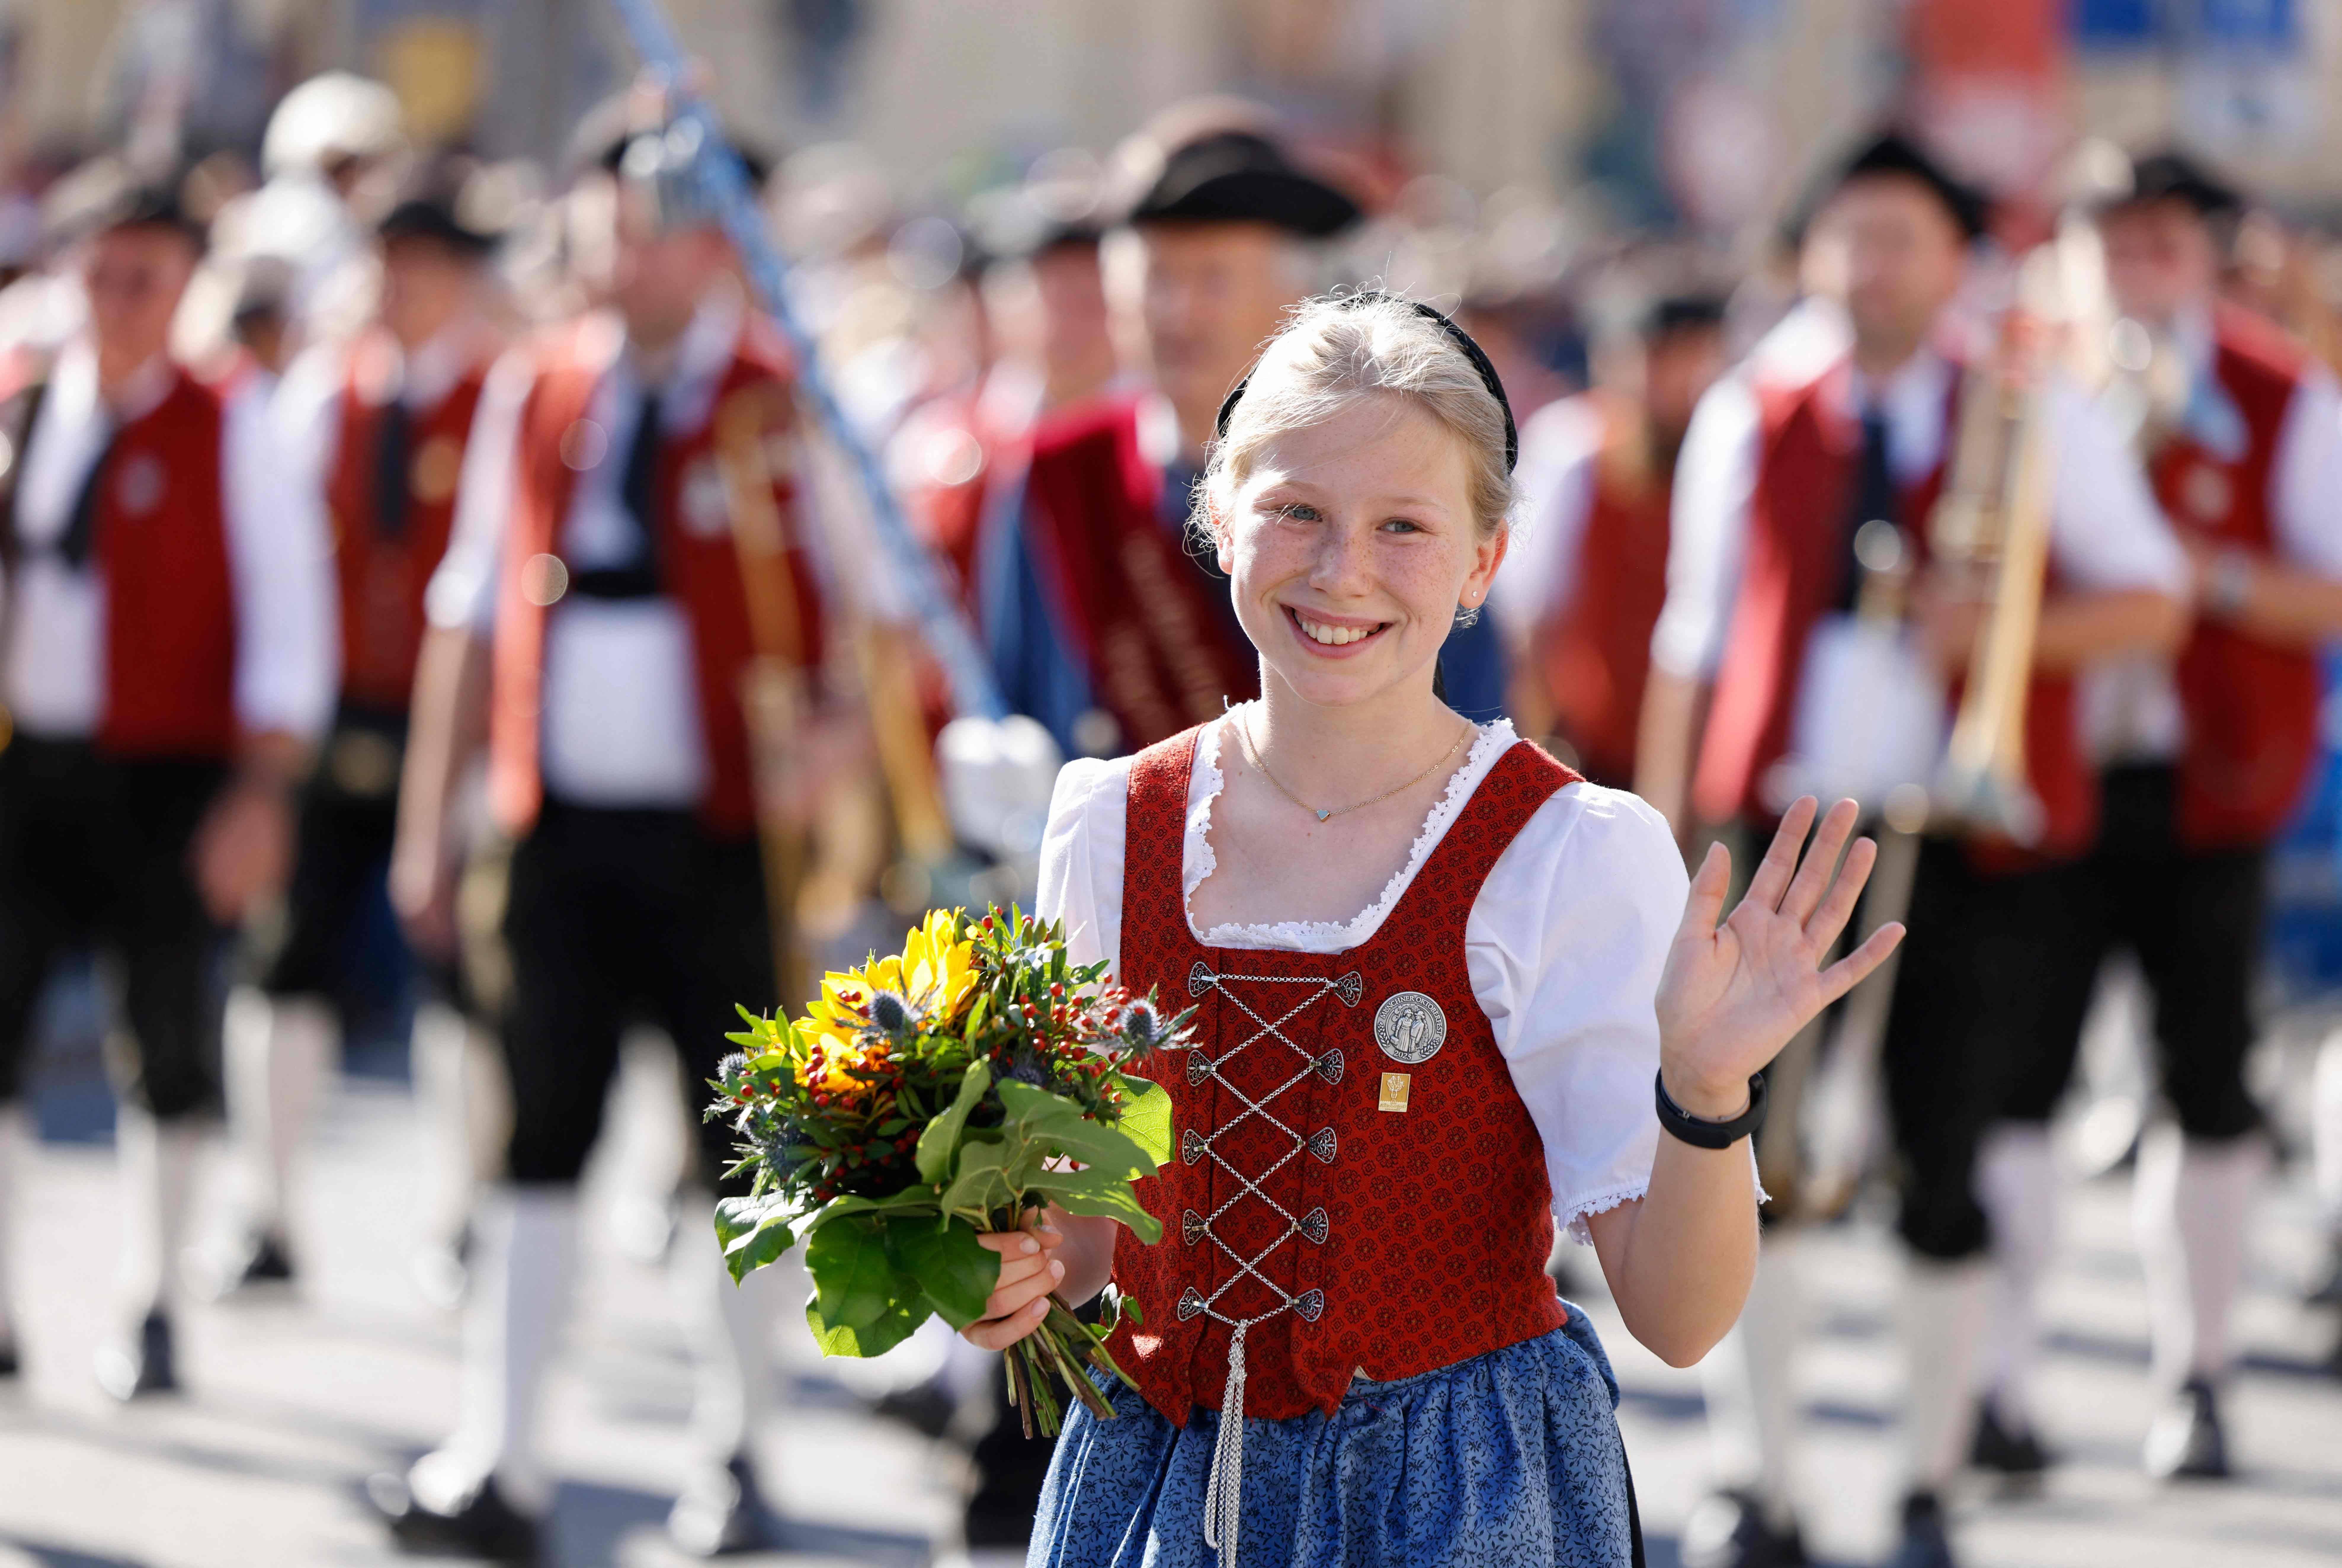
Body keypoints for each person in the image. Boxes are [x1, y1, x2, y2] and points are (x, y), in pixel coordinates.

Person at [959, 290, 1901, 1568]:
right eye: (1293, 509)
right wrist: (997, 1273)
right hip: (1152, 1486)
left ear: (1480, 565)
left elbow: (1677, 1321)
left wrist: (1704, 1086)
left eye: (1402, 526)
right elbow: (1086, 1255)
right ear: (1220, 516)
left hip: (1451, 1493)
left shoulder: (1559, 852)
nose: (1339, 568)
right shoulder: (1107, 825)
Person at [1638, 133, 2190, 1568]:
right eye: (1847, 236)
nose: (1869, 265)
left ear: (1953, 261)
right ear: (1811, 252)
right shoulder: (1752, 409)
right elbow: (1690, 639)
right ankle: (1756, 1480)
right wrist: (1655, 842)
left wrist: (2004, 633)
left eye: (1901, 239)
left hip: (1962, 836)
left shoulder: (2030, 407)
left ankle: (1919, 1483)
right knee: (1752, 1159)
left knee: (1942, 1160)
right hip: (1784, 826)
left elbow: (2148, 600)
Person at [366, 111, 831, 1558]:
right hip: (554, 835)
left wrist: (827, 760)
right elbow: (466, 617)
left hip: (719, 844)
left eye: (646, 225)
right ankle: (497, 1458)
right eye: (606, 223)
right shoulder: (537, 388)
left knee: (742, 1160)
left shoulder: (782, 399)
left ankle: (737, 1456)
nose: (615, 252)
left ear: (708, 244)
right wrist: (428, 824)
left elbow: (870, 622)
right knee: (531, 1141)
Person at [1981, 149, 2342, 1480]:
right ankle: (1993, 1382)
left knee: (2207, 1082)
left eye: (2159, 244)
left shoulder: (2275, 393)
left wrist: (2211, 579)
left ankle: (2195, 1375)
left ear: (2202, 259)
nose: (2133, 270)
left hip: (2208, 788)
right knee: (2011, 1088)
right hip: (2044, 787)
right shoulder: (2015, 385)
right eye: (2106, 243)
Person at [0, 163, 332, 1397]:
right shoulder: (32, 404)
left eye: (144, 276)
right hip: (35, 761)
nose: (118, 299)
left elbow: (290, 613)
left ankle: (152, 1293)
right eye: (100, 273)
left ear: (184, 284)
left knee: (167, 1041)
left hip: (171, 771)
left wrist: (262, 787)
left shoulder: (229, 419)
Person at [983, 108, 1509, 763]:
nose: (1177, 312)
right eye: (1157, 279)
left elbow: (1465, 711)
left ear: (1294, 299)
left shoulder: (1394, 469)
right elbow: (1010, 700)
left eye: (1212, 279)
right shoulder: (1061, 473)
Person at [209, 163, 510, 1300]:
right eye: (389, 262)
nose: (402, 286)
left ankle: (463, 1211)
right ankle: (266, 1208)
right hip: (332, 711)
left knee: (461, 973)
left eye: (426, 265)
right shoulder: (321, 397)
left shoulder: (498, 392)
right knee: (284, 962)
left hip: (453, 725)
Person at [1493, 288, 1727, 787]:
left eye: (1697, 357)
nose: (1681, 380)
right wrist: (1540, 746)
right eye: (1661, 357)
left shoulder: (1733, 453)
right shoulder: (1572, 450)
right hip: (1589, 751)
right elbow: (1529, 620)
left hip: (1709, 755)